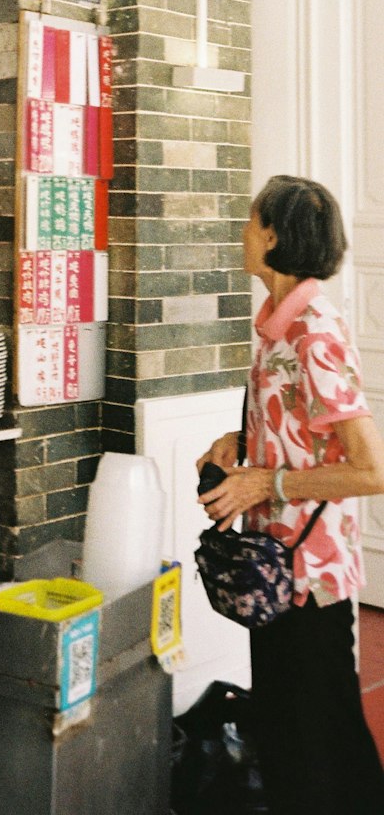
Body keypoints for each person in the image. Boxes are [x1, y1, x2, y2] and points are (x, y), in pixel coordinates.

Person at [198, 174, 384, 815]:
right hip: (274, 570)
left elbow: (370, 469)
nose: (243, 233)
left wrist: (264, 481)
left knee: (311, 743)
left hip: (311, 576)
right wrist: (239, 440)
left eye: (251, 221)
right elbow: (304, 426)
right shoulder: (279, 327)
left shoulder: (313, 332)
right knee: (299, 728)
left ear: (274, 235)